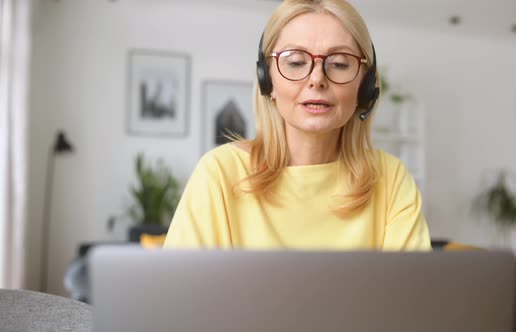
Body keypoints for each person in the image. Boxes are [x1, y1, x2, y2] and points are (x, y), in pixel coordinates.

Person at [164, 0, 430, 250]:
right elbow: (178, 294)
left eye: (338, 63)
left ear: (365, 86)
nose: (317, 79)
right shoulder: (220, 173)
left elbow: (415, 295)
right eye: (295, 62)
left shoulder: (391, 178)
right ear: (267, 81)